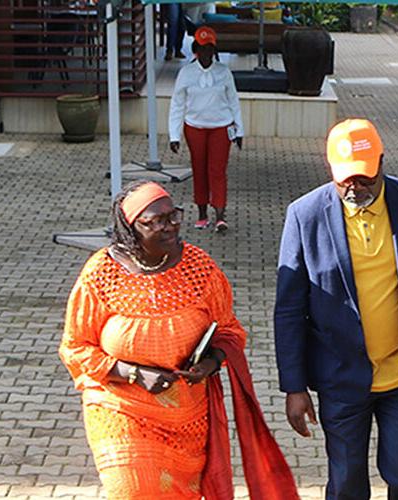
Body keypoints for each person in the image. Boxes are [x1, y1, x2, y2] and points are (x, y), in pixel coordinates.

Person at [59, 181, 298, 499]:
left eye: (173, 216)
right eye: (155, 220)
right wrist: (132, 373)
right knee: (130, 489)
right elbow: (75, 347)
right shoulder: (101, 273)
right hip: (120, 407)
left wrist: (211, 362)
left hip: (186, 414)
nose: (169, 226)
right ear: (131, 228)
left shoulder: (199, 268)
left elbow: (229, 331)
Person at [274, 118, 398, 500]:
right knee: (346, 484)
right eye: (345, 179)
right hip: (340, 379)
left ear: (382, 163)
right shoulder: (304, 215)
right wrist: (294, 386)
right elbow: (289, 309)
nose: (355, 187)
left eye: (365, 177)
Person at [169, 26, 243, 233]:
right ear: (196, 49)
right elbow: (177, 104)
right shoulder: (186, 73)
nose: (207, 52)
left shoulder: (223, 72)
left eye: (210, 48)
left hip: (221, 127)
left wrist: (239, 130)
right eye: (203, 48)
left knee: (217, 171)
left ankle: (220, 215)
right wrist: (174, 135)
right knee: (199, 170)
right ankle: (202, 214)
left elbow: (233, 101)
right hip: (195, 128)